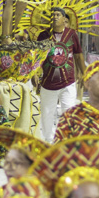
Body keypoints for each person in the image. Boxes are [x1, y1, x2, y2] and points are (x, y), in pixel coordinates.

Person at [36, 7, 86, 141]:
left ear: (65, 19)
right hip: (48, 83)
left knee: (69, 113)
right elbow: (36, 57)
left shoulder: (72, 34)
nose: (55, 17)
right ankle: (48, 142)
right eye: (53, 15)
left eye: (58, 15)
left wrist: (84, 74)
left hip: (67, 83)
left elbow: (78, 55)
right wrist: (34, 74)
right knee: (47, 115)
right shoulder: (43, 36)